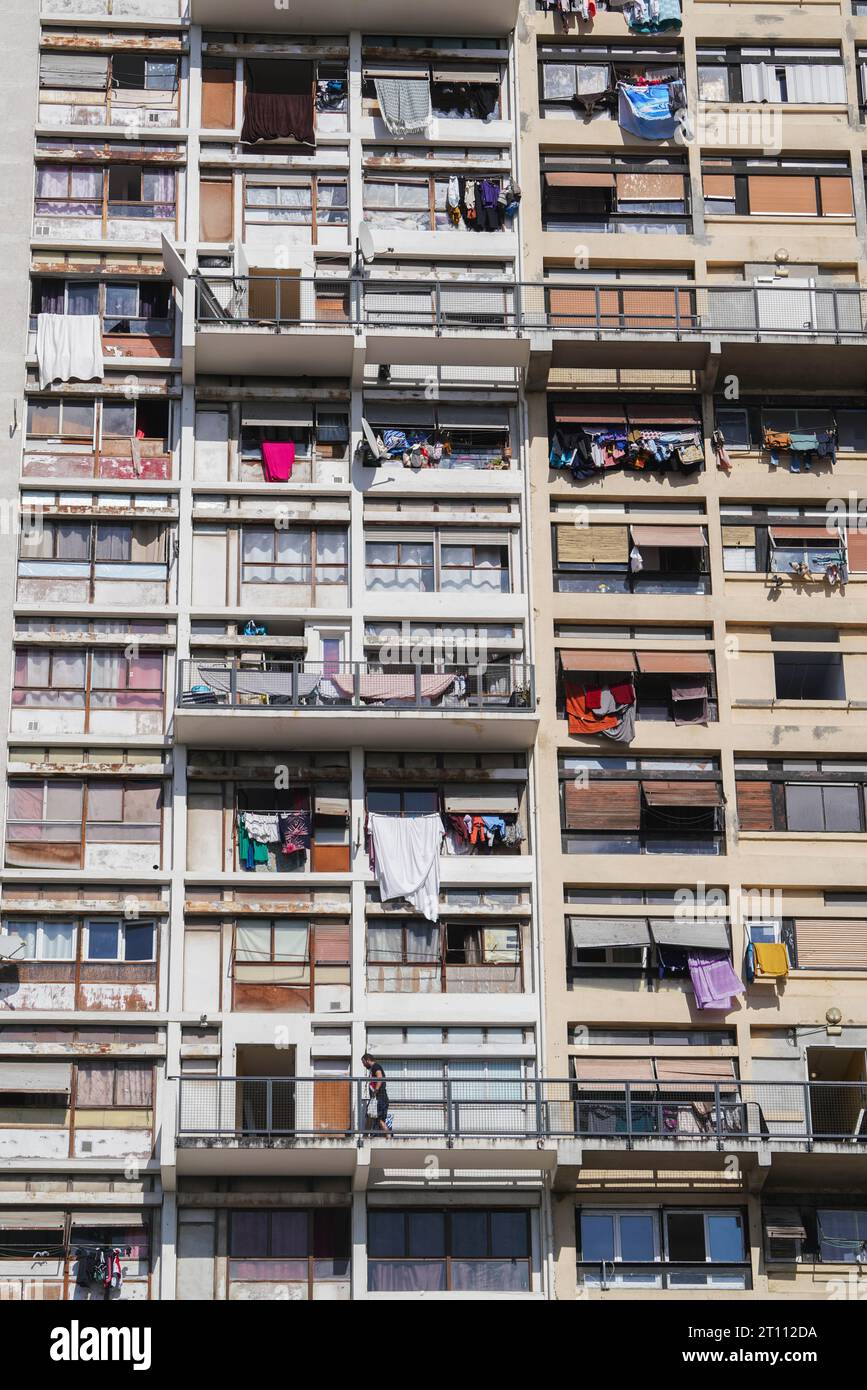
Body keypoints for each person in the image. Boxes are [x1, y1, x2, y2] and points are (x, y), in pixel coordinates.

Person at [362, 1053, 391, 1138]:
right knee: (370, 1116)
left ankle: (388, 1137)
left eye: (363, 1062)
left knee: (379, 1120)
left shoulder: (376, 1066)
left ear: (367, 1060)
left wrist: (376, 1090)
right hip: (377, 1098)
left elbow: (380, 1077)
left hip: (379, 1098)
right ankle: (365, 1135)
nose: (363, 1065)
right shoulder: (373, 1068)